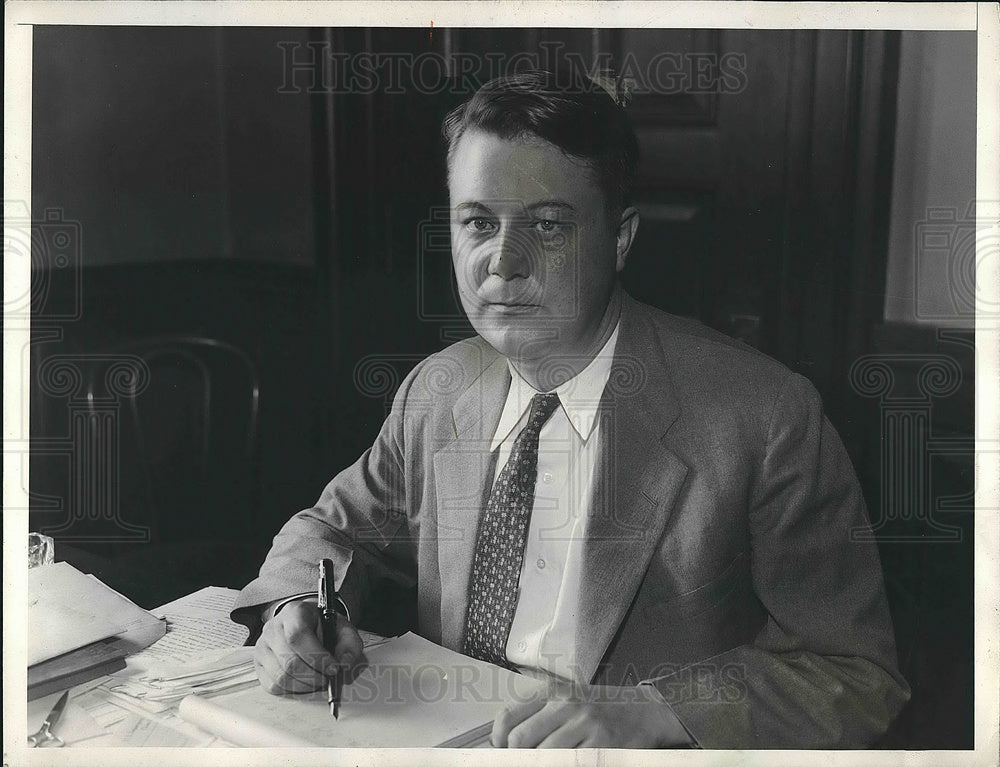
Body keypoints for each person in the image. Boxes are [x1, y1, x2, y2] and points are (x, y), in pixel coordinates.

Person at [232, 68, 909, 748]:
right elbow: (332, 530)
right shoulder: (439, 388)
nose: (501, 262)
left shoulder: (763, 416)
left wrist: (651, 710)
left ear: (620, 238)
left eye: (548, 225)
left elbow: (853, 672)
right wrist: (295, 605)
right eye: (477, 221)